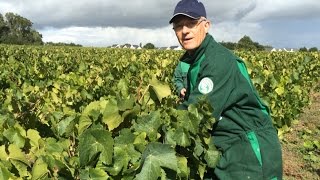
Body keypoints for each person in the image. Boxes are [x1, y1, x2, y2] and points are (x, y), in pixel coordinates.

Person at [169, 0, 283, 179]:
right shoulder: (194, 59)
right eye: (178, 26)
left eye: (191, 23)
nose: (184, 31)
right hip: (225, 147)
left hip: (247, 150)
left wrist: (161, 134)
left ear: (206, 26)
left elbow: (196, 115)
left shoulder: (217, 61)